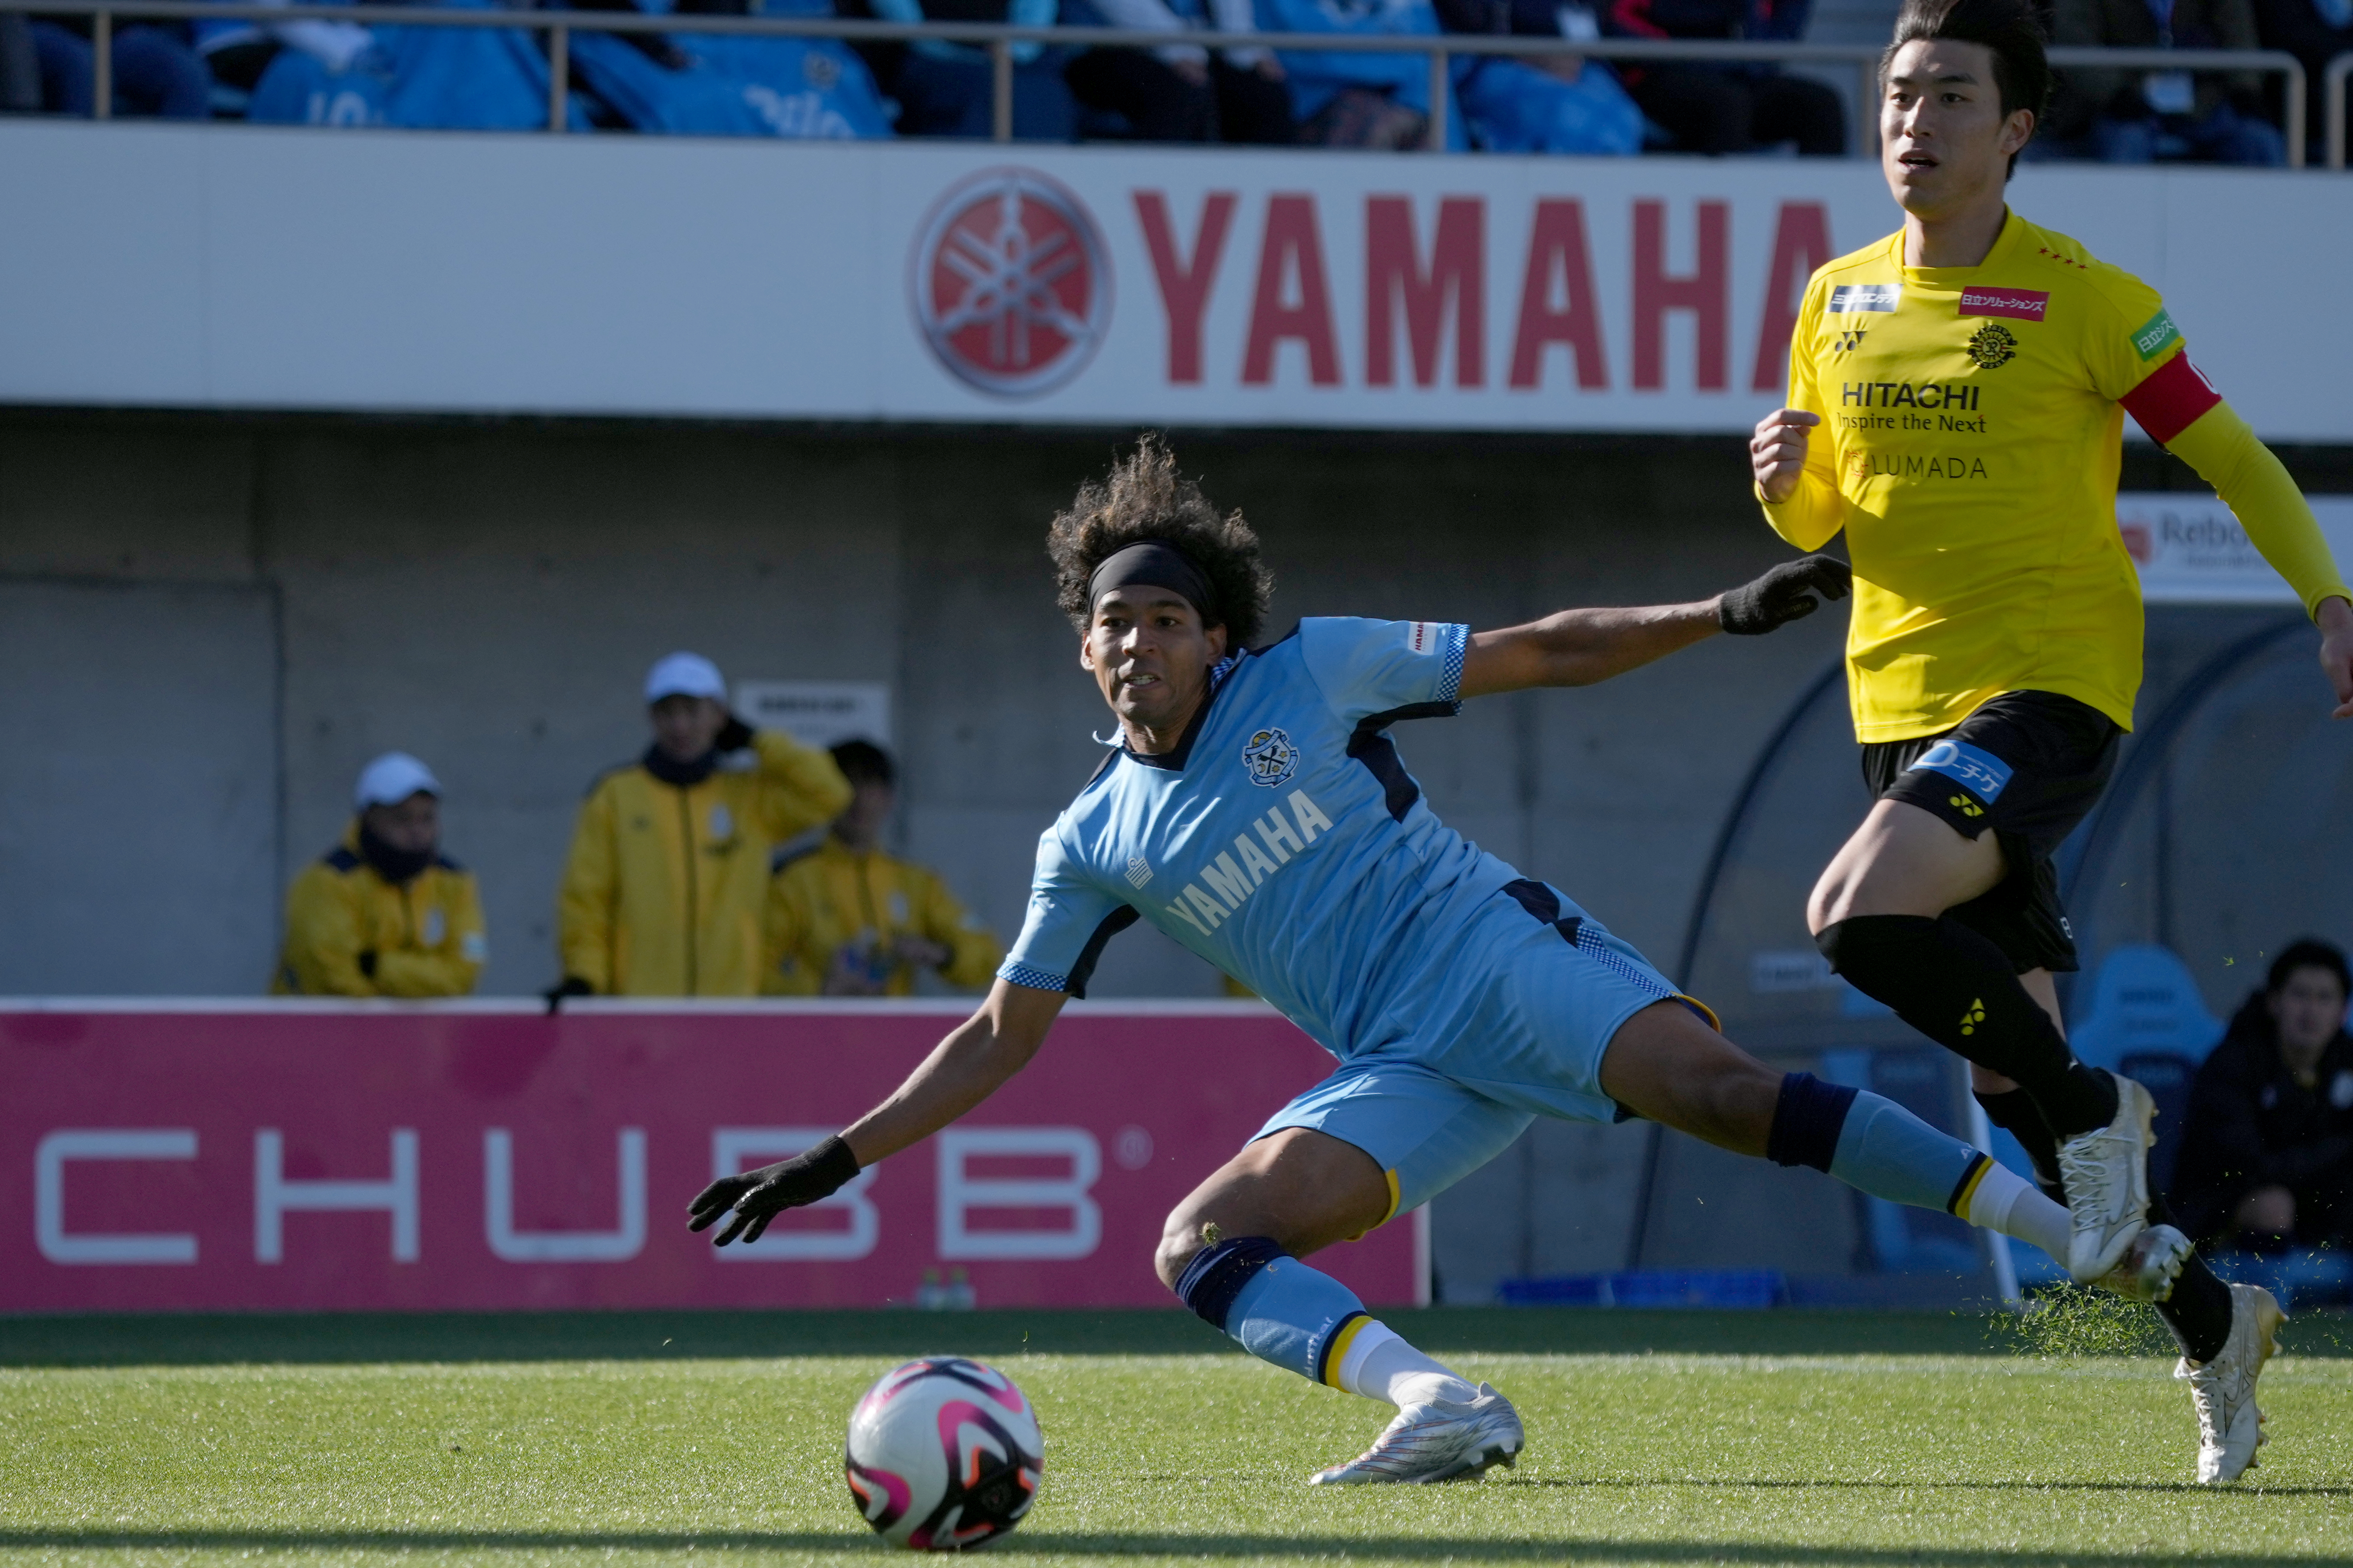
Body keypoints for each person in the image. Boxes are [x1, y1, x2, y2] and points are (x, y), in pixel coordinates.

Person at [691, 438, 2149, 1487]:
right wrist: (840, 1153)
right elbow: (1000, 1036)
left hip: (1497, 954)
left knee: (1725, 1099)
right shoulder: (1090, 841)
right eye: (1110, 625)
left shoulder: (1311, 673)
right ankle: (1438, 1401)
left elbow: (1540, 650)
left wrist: (1711, 614)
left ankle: (2065, 1233)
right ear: (1081, 653)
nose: (1134, 642)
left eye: (1162, 620)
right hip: (1395, 1063)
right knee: (1198, 1248)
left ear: (1215, 638)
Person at [1750, 0, 2353, 1482]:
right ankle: (2215, 1329)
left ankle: (2102, 1107)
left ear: (2012, 130)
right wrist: (1780, 483)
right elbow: (1826, 522)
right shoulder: (1830, 300)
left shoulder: (2081, 297)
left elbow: (2226, 450)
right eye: (1896, 94)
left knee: (1847, 915)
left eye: (1948, 96)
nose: (1913, 121)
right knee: (2045, 1166)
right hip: (1891, 713)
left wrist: (2329, 600)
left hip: (2047, 692)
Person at [554, 652, 852, 1000]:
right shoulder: (615, 795)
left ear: (720, 716)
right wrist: (585, 975)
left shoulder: (748, 797)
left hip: (731, 1002)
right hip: (639, 1003)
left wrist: (757, 741)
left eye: (693, 711)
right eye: (667, 712)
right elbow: (586, 896)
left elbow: (831, 793)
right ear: (652, 717)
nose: (680, 726)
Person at [764, 740, 1004, 996]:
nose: (859, 799)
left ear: (889, 797)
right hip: (815, 1032)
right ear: (825, 796)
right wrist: (822, 989)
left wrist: (940, 954)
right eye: (846, 784)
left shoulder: (915, 881)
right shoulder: (793, 879)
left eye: (871, 785)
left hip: (891, 1033)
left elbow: (987, 957)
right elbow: (753, 971)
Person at [2172, 941, 2353, 1253]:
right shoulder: (2232, 1064)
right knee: (2273, 1207)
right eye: (2299, 995)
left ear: (2342, 1011)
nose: (2311, 1011)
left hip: (2314, 1197)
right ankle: (2259, 1301)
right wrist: (2340, 1150)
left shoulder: (2346, 1061)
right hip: (2220, 1203)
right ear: (2274, 1002)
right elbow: (2247, 1166)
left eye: (2324, 998)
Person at [274, 752, 486, 997]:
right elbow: (333, 977)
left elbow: (464, 973)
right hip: (319, 1032)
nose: (417, 831)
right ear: (368, 819)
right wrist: (410, 996)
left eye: (427, 818)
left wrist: (375, 966)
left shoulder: (455, 882)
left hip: (415, 1033)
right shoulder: (329, 881)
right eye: (402, 819)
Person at [2046, 0, 2284, 164]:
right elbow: (2076, 39)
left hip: (2202, 103)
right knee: (2128, 143)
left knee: (2261, 142)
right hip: (2121, 107)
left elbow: (2238, 33)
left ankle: (2277, 232)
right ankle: (2122, 230)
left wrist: (2245, 88)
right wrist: (2115, 95)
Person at [1603, 0, 1846, 156]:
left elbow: (1783, 29)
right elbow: (1619, 19)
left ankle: (1828, 222)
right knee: (1728, 105)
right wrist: (1690, 57)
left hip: (1744, 70)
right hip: (1660, 69)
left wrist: (1750, 60)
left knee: (1820, 106)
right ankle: (1734, 219)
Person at [1062, 0, 1293, 143]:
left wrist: (1250, 53)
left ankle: (1262, 192)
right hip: (1105, 47)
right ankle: (1167, 189)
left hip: (1195, 47)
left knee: (1264, 93)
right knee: (1178, 92)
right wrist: (1176, 50)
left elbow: (1234, 17)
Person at [839, 0, 1076, 140]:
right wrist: (950, 51)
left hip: (1017, 62)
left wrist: (1015, 50)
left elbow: (1036, 16)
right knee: (970, 96)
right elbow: (907, 25)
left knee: (1040, 99)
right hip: (927, 60)